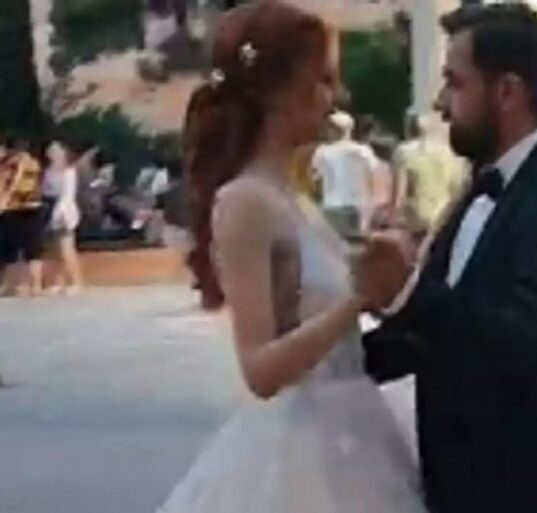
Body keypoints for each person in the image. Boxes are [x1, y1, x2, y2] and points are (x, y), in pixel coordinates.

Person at [157, 3, 426, 513]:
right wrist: (357, 301)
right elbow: (260, 369)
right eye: (323, 79)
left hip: (352, 434)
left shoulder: (294, 196)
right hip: (300, 448)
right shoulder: (246, 201)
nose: (336, 97)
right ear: (277, 92)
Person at [356, 5, 537, 513]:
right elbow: (432, 340)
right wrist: (333, 354)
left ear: (507, 92)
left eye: (455, 83)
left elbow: (528, 344)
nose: (440, 103)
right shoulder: (478, 188)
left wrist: (409, 288)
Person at [393, 113, 467, 237]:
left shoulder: (404, 152)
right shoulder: (455, 156)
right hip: (442, 218)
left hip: (415, 219)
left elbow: (399, 196)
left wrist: (394, 218)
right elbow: (456, 193)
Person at [311, 110, 378, 238]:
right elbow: (374, 177)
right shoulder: (363, 151)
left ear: (338, 129)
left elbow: (315, 179)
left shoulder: (322, 152)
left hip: (332, 205)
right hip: (359, 207)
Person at [0, 139, 46, 297]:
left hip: (20, 208)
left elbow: (15, 181)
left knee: (16, 249)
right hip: (27, 208)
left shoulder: (19, 162)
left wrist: (4, 198)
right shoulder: (33, 163)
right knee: (29, 250)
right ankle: (32, 286)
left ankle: (15, 286)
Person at [42, 140, 83, 296]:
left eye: (56, 150)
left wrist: (62, 213)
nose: (53, 153)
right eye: (51, 150)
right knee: (57, 250)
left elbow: (68, 194)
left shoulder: (69, 171)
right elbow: (47, 191)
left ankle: (76, 282)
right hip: (54, 209)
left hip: (66, 211)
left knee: (67, 249)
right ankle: (59, 282)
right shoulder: (48, 171)